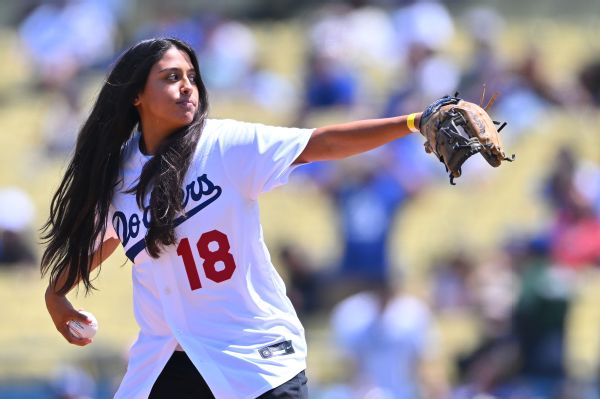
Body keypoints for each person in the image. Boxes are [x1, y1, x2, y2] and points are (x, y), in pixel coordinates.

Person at [40, 37, 424, 399]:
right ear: (137, 94)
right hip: (169, 362)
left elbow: (320, 143)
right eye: (172, 77)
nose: (188, 86)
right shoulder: (119, 174)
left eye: (192, 77)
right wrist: (56, 295)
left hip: (254, 358)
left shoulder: (224, 145)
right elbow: (110, 238)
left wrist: (413, 123)